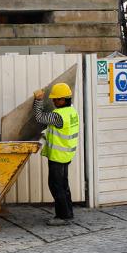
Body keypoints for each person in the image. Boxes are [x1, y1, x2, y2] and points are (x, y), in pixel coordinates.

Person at [33, 83, 80, 226]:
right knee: (63, 185)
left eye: (55, 99)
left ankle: (63, 217)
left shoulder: (59, 116)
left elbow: (39, 117)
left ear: (63, 99)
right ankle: (68, 213)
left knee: (56, 186)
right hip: (66, 155)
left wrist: (39, 100)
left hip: (58, 156)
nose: (53, 101)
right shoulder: (72, 112)